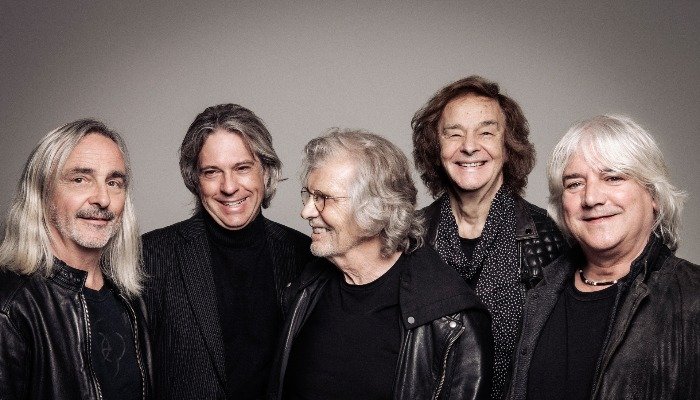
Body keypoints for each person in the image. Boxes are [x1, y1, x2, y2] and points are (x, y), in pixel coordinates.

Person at [269, 129, 493, 400]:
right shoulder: (305, 288)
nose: (306, 211)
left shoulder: (452, 320)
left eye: (323, 198)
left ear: (377, 207)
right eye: (309, 195)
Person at [508, 115, 699, 399]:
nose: (591, 198)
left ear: (654, 194)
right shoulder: (536, 292)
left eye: (613, 178)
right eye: (574, 184)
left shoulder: (693, 299)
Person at [142, 103, 314, 399]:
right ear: (195, 180)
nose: (229, 187)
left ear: (266, 171)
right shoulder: (151, 256)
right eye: (212, 172)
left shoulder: (303, 255)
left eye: (242, 168)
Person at [412, 75, 567, 399]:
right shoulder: (410, 236)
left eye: (486, 132)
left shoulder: (550, 237)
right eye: (454, 134)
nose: (469, 146)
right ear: (436, 147)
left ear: (508, 146)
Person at [0, 119, 151, 399]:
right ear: (42, 191)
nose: (103, 199)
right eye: (80, 179)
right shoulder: (10, 308)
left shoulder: (132, 299)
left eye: (114, 183)